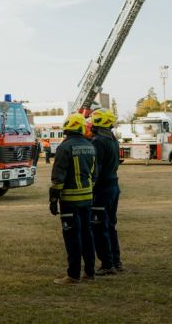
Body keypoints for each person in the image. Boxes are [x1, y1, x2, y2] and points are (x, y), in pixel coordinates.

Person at [49, 113, 97, 285]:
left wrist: (53, 199)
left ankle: (73, 275)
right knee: (87, 235)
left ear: (67, 128)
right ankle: (90, 273)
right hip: (87, 199)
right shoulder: (90, 146)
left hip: (70, 200)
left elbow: (58, 177)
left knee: (72, 237)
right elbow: (94, 174)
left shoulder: (65, 147)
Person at [89, 108, 122, 275]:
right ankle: (116, 261)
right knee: (110, 226)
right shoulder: (113, 139)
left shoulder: (98, 141)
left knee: (99, 226)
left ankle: (107, 264)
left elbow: (96, 168)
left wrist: (90, 188)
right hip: (113, 186)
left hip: (102, 188)